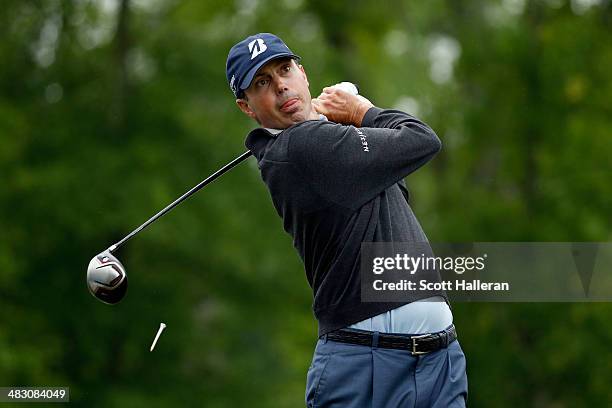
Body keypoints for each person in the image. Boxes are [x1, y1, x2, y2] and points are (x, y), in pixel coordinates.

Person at [226, 33, 468, 407]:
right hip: (364, 364)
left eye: (285, 70)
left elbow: (395, 185)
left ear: (303, 74)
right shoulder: (297, 148)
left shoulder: (326, 141)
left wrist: (345, 124)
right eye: (262, 83)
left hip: (439, 359)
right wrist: (361, 111)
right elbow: (421, 140)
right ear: (247, 107)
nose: (281, 86)